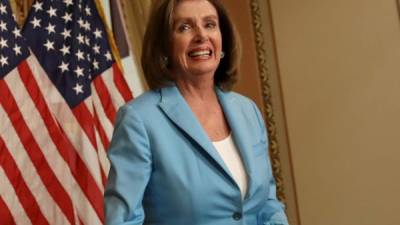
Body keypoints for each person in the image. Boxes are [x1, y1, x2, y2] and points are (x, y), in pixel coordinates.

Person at [104, 0, 290, 224]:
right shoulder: (139, 120)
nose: (201, 35)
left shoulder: (247, 111)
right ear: (165, 45)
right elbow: (122, 221)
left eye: (210, 24)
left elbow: (268, 204)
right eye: (185, 27)